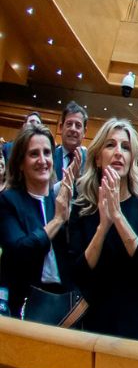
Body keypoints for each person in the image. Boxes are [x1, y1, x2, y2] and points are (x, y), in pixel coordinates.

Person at [69, 118, 138, 345]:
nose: (119, 152)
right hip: (98, 317)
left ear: (132, 160)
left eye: (125, 147)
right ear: (98, 158)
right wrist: (103, 227)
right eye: (110, 145)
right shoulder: (81, 208)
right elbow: (78, 274)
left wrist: (117, 216)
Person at [0, 125, 76, 317]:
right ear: (20, 163)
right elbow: (20, 250)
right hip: (22, 302)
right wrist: (57, 220)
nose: (42, 161)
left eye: (47, 153)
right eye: (34, 154)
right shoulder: (8, 201)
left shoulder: (60, 202)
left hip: (62, 303)